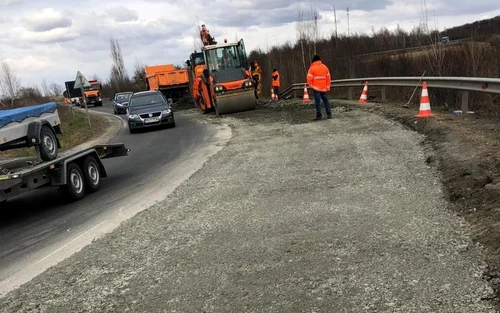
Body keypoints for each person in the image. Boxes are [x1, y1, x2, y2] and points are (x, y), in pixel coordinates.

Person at [306, 55, 332, 120]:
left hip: (316, 88)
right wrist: (327, 86)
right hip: (323, 87)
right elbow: (328, 77)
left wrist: (311, 85)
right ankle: (328, 113)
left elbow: (309, 78)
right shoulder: (325, 67)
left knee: (317, 101)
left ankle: (319, 115)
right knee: (325, 100)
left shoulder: (312, 68)